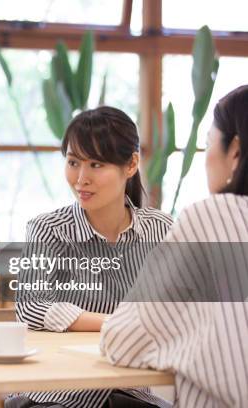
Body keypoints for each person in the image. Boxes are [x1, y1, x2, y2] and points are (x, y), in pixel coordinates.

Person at [9, 107, 173, 408]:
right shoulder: (48, 229)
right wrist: (115, 323)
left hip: (130, 392)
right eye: (73, 162)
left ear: (132, 164)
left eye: (96, 164)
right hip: (57, 395)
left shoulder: (160, 229)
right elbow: (31, 307)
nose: (81, 178)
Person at [101, 85, 248, 407]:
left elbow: (122, 341)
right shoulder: (47, 227)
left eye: (208, 142)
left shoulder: (210, 217)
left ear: (235, 152)